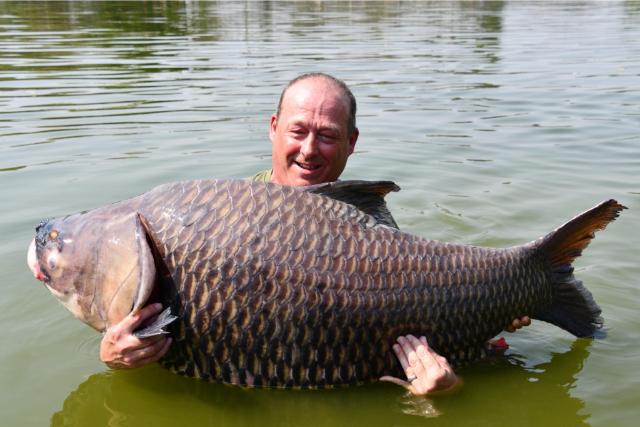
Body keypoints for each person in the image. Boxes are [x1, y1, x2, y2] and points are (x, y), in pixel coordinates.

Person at [100, 73, 530, 395]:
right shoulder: (220, 218)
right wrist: (113, 355)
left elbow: (420, 320)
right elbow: (140, 321)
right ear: (273, 127)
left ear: (352, 142)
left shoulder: (371, 230)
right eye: (298, 131)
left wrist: (456, 372)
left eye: (327, 136)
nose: (309, 150)